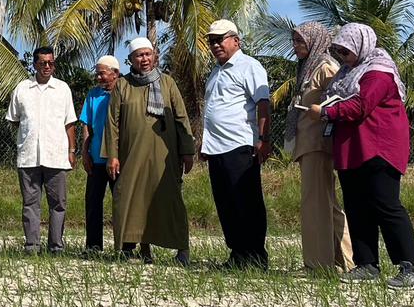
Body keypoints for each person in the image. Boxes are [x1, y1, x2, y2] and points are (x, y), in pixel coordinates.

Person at [310, 22, 414, 289]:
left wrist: (328, 112)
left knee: (386, 204)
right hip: (352, 148)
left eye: (346, 51)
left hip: (379, 147)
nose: (342, 56)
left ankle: (411, 266)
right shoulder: (348, 72)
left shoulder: (378, 72)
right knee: (356, 206)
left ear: (361, 46)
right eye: (338, 51)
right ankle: (366, 264)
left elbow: (362, 105)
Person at [105, 37, 196, 265]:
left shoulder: (167, 83)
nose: (144, 59)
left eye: (147, 54)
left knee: (169, 199)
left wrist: (187, 151)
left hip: (165, 156)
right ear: (131, 60)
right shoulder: (123, 86)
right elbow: (112, 123)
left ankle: (181, 249)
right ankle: (130, 248)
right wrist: (112, 156)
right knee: (129, 198)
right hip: (131, 155)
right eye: (139, 55)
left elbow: (181, 118)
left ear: (154, 56)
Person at [201, 19, 271, 270]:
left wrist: (263, 139)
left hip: (240, 144)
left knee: (247, 201)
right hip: (216, 147)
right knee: (225, 202)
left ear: (236, 41)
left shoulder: (249, 66)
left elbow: (263, 103)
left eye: (221, 39)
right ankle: (238, 253)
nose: (216, 44)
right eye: (212, 40)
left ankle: (255, 255)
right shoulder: (216, 71)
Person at [286, 22, 353, 272]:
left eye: (300, 41)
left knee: (314, 203)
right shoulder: (307, 68)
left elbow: (341, 96)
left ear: (314, 41)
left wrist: (322, 111)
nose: (295, 46)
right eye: (294, 41)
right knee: (326, 203)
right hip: (308, 143)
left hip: (318, 143)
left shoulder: (325, 66)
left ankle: (318, 263)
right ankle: (347, 260)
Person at [6, 46, 78, 254]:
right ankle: (32, 246)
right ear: (35, 64)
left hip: (56, 155)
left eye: (51, 63)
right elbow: (14, 119)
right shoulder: (21, 88)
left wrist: (71, 150)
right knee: (30, 203)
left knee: (58, 203)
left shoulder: (63, 89)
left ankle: (56, 246)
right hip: (29, 157)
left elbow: (69, 122)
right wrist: (25, 139)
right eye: (43, 63)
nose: (47, 66)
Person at [79, 55, 120, 252]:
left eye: (102, 74)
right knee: (93, 202)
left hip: (118, 158)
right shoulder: (93, 94)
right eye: (97, 74)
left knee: (121, 202)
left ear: (115, 74)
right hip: (96, 157)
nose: (98, 78)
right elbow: (86, 124)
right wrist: (84, 152)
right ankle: (93, 246)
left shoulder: (123, 92)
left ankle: (124, 246)